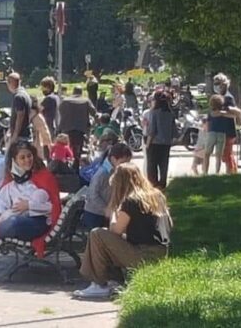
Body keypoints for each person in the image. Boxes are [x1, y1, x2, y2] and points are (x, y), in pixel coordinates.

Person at [0, 141, 61, 279]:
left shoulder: (44, 176)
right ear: (14, 160)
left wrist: (29, 205)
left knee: (13, 222)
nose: (27, 160)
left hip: (37, 221)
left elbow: (53, 207)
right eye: (22, 158)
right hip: (8, 216)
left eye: (29, 156)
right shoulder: (11, 177)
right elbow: (1, 201)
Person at [74, 163, 170, 298]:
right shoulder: (156, 196)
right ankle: (113, 280)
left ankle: (98, 283)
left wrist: (114, 210)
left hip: (144, 254)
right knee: (107, 240)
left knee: (97, 234)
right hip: (160, 251)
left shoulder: (130, 201)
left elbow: (115, 231)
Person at [81, 143, 134, 229]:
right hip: (96, 214)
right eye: (123, 163)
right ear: (113, 159)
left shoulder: (118, 171)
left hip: (109, 211)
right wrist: (105, 209)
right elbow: (92, 194)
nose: (126, 166)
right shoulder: (103, 173)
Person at [58, 86, 97, 172]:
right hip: (80, 128)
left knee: (65, 146)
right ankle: (76, 163)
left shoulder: (65, 101)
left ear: (73, 92)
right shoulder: (86, 100)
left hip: (66, 128)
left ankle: (64, 164)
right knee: (78, 147)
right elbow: (94, 112)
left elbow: (60, 111)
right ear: (81, 92)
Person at [203, 95, 241, 175]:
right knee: (219, 155)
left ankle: (205, 172)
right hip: (222, 134)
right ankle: (217, 172)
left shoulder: (211, 112)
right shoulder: (223, 112)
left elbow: (208, 122)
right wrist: (224, 113)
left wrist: (206, 132)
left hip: (212, 133)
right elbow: (233, 116)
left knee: (207, 154)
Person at [213, 73, 241, 174]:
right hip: (222, 130)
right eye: (215, 83)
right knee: (227, 154)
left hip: (228, 130)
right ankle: (233, 172)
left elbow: (233, 114)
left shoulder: (228, 98)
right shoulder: (219, 97)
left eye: (217, 83)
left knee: (227, 154)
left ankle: (230, 173)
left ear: (223, 84)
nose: (215, 86)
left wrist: (221, 113)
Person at [146, 91, 176, 189]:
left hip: (155, 142)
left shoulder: (154, 112)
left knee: (152, 165)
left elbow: (152, 130)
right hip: (166, 143)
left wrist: (147, 143)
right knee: (164, 164)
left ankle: (154, 184)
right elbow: (174, 130)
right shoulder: (170, 113)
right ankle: (162, 184)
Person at [7, 73, 32, 146]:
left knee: (11, 156)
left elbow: (20, 116)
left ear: (10, 83)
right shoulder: (25, 94)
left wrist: (15, 135)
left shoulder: (18, 97)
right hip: (25, 134)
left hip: (20, 137)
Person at [30, 96, 52, 161]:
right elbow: (44, 130)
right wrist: (49, 144)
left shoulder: (24, 113)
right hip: (36, 141)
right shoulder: (36, 115)